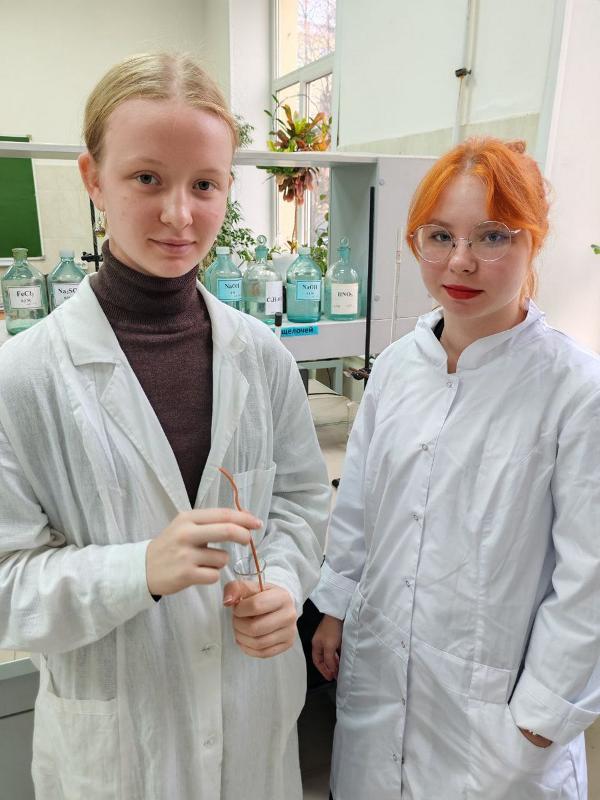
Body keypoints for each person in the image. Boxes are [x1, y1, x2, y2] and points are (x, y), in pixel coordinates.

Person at [0, 52, 330, 799]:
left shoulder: (262, 357)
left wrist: (282, 583)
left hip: (250, 719)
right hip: (120, 753)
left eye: (204, 184)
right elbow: (7, 583)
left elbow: (302, 506)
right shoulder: (24, 378)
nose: (180, 215)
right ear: (93, 178)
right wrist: (138, 570)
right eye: (147, 178)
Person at [311, 137, 600, 800]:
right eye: (439, 236)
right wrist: (336, 606)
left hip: (500, 719)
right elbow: (359, 505)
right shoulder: (396, 367)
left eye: (492, 236)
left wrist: (542, 717)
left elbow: (589, 579)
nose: (461, 261)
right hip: (379, 674)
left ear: (534, 241)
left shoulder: (575, 390)